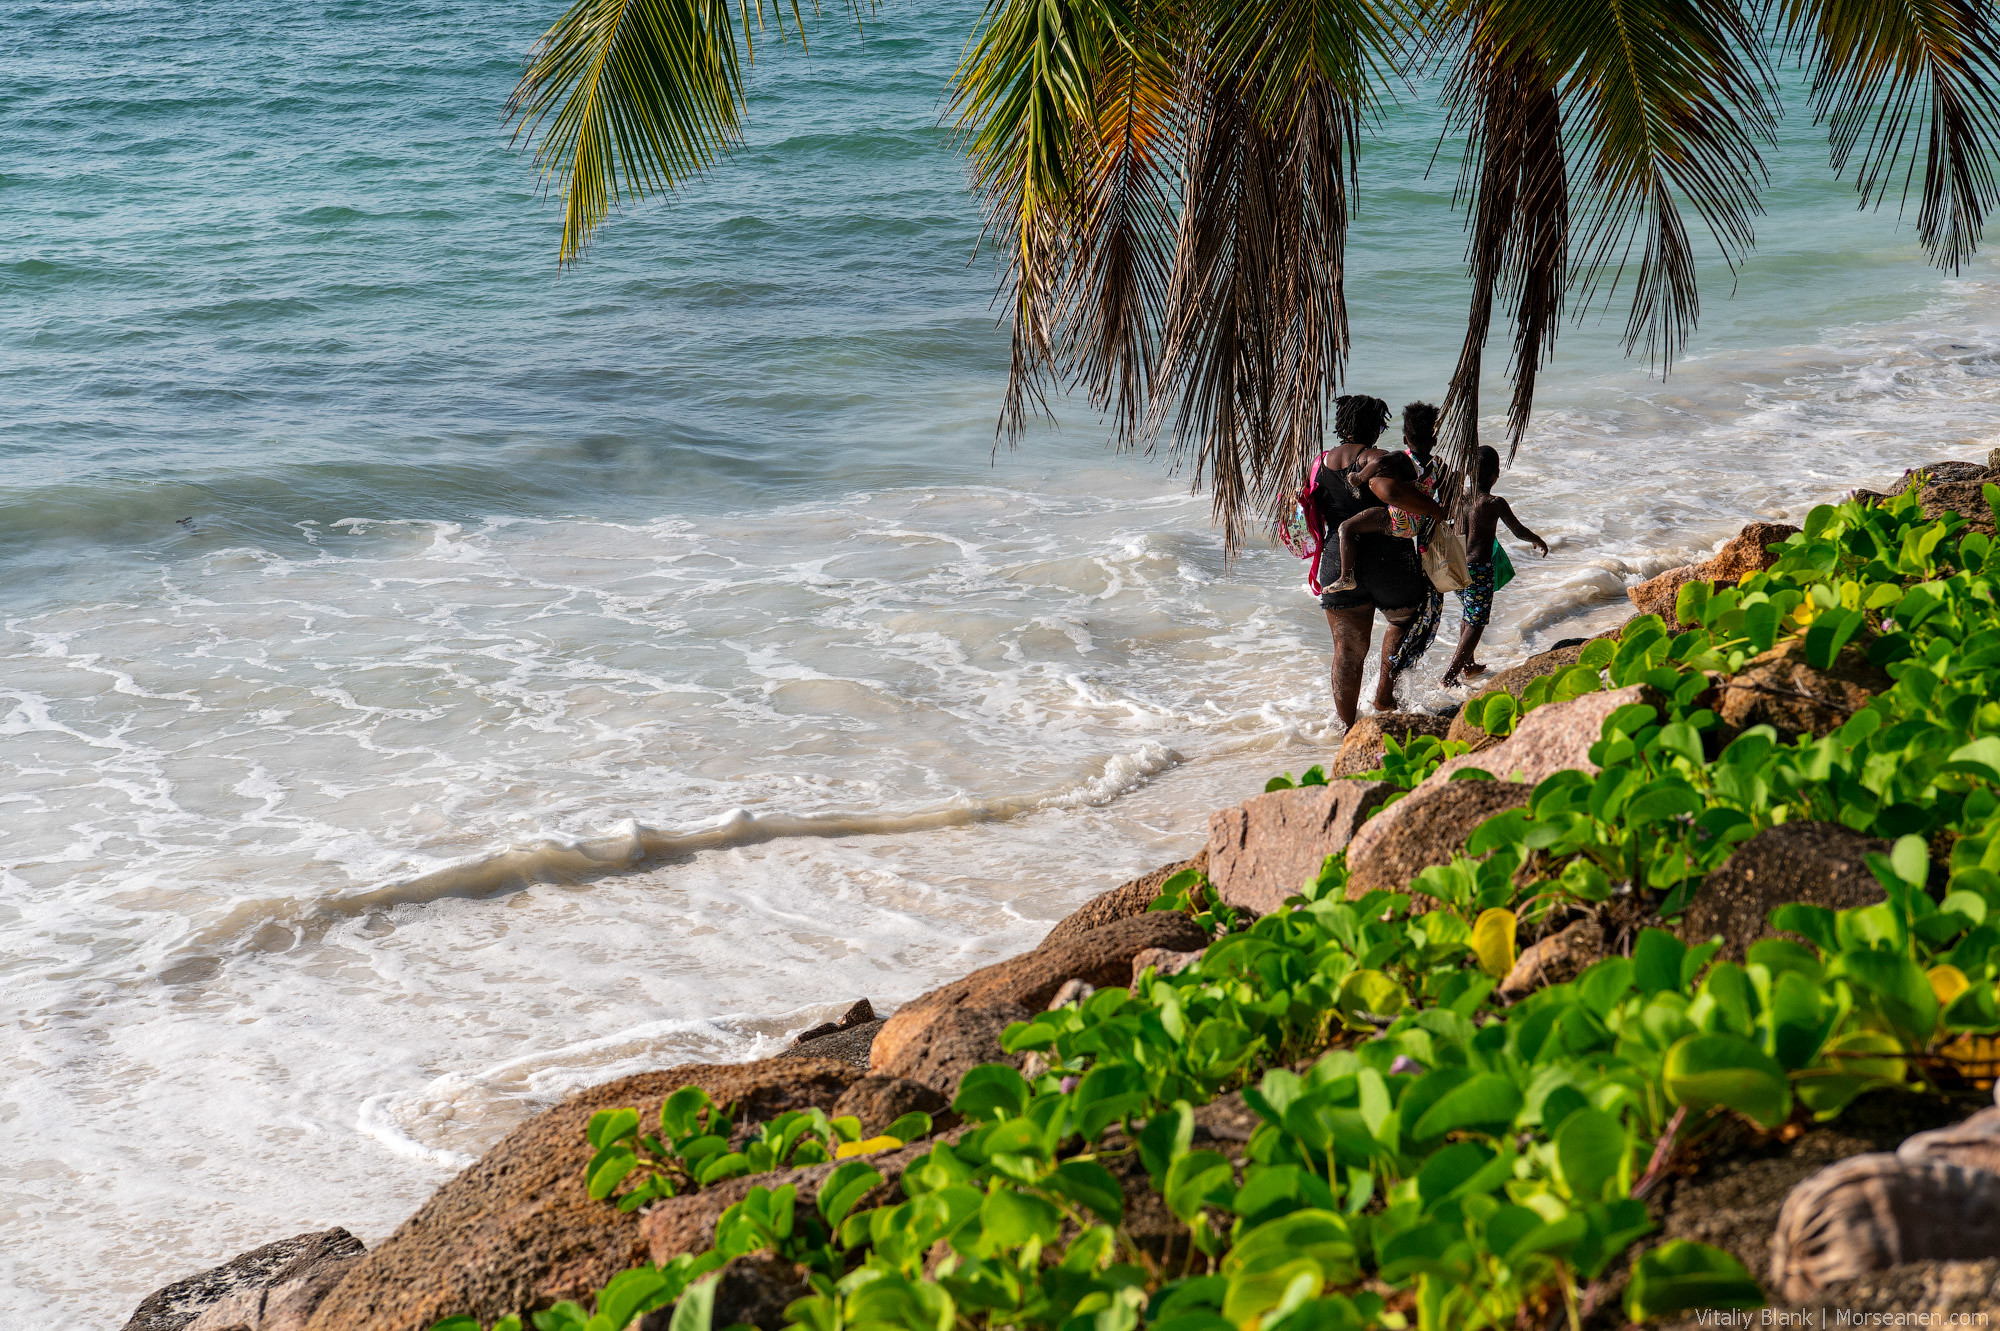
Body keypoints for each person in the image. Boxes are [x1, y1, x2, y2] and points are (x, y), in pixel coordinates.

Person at [1315, 395, 1449, 724]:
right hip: (1388, 561)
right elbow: (1391, 493)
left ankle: (1349, 727)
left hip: (1337, 559)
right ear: (1376, 427)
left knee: (1347, 651)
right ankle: (1383, 699)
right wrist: (1438, 511)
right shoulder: (1374, 458)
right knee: (1402, 621)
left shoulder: (1317, 463)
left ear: (1342, 424)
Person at [1442, 444, 1550, 687]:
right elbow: (1518, 529)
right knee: (1476, 622)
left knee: (1468, 615)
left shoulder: (1462, 498)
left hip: (1457, 567)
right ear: (1495, 475)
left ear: (1470, 473)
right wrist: (1537, 540)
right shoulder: (1493, 502)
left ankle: (1468, 666)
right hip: (1479, 570)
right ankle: (1448, 677)